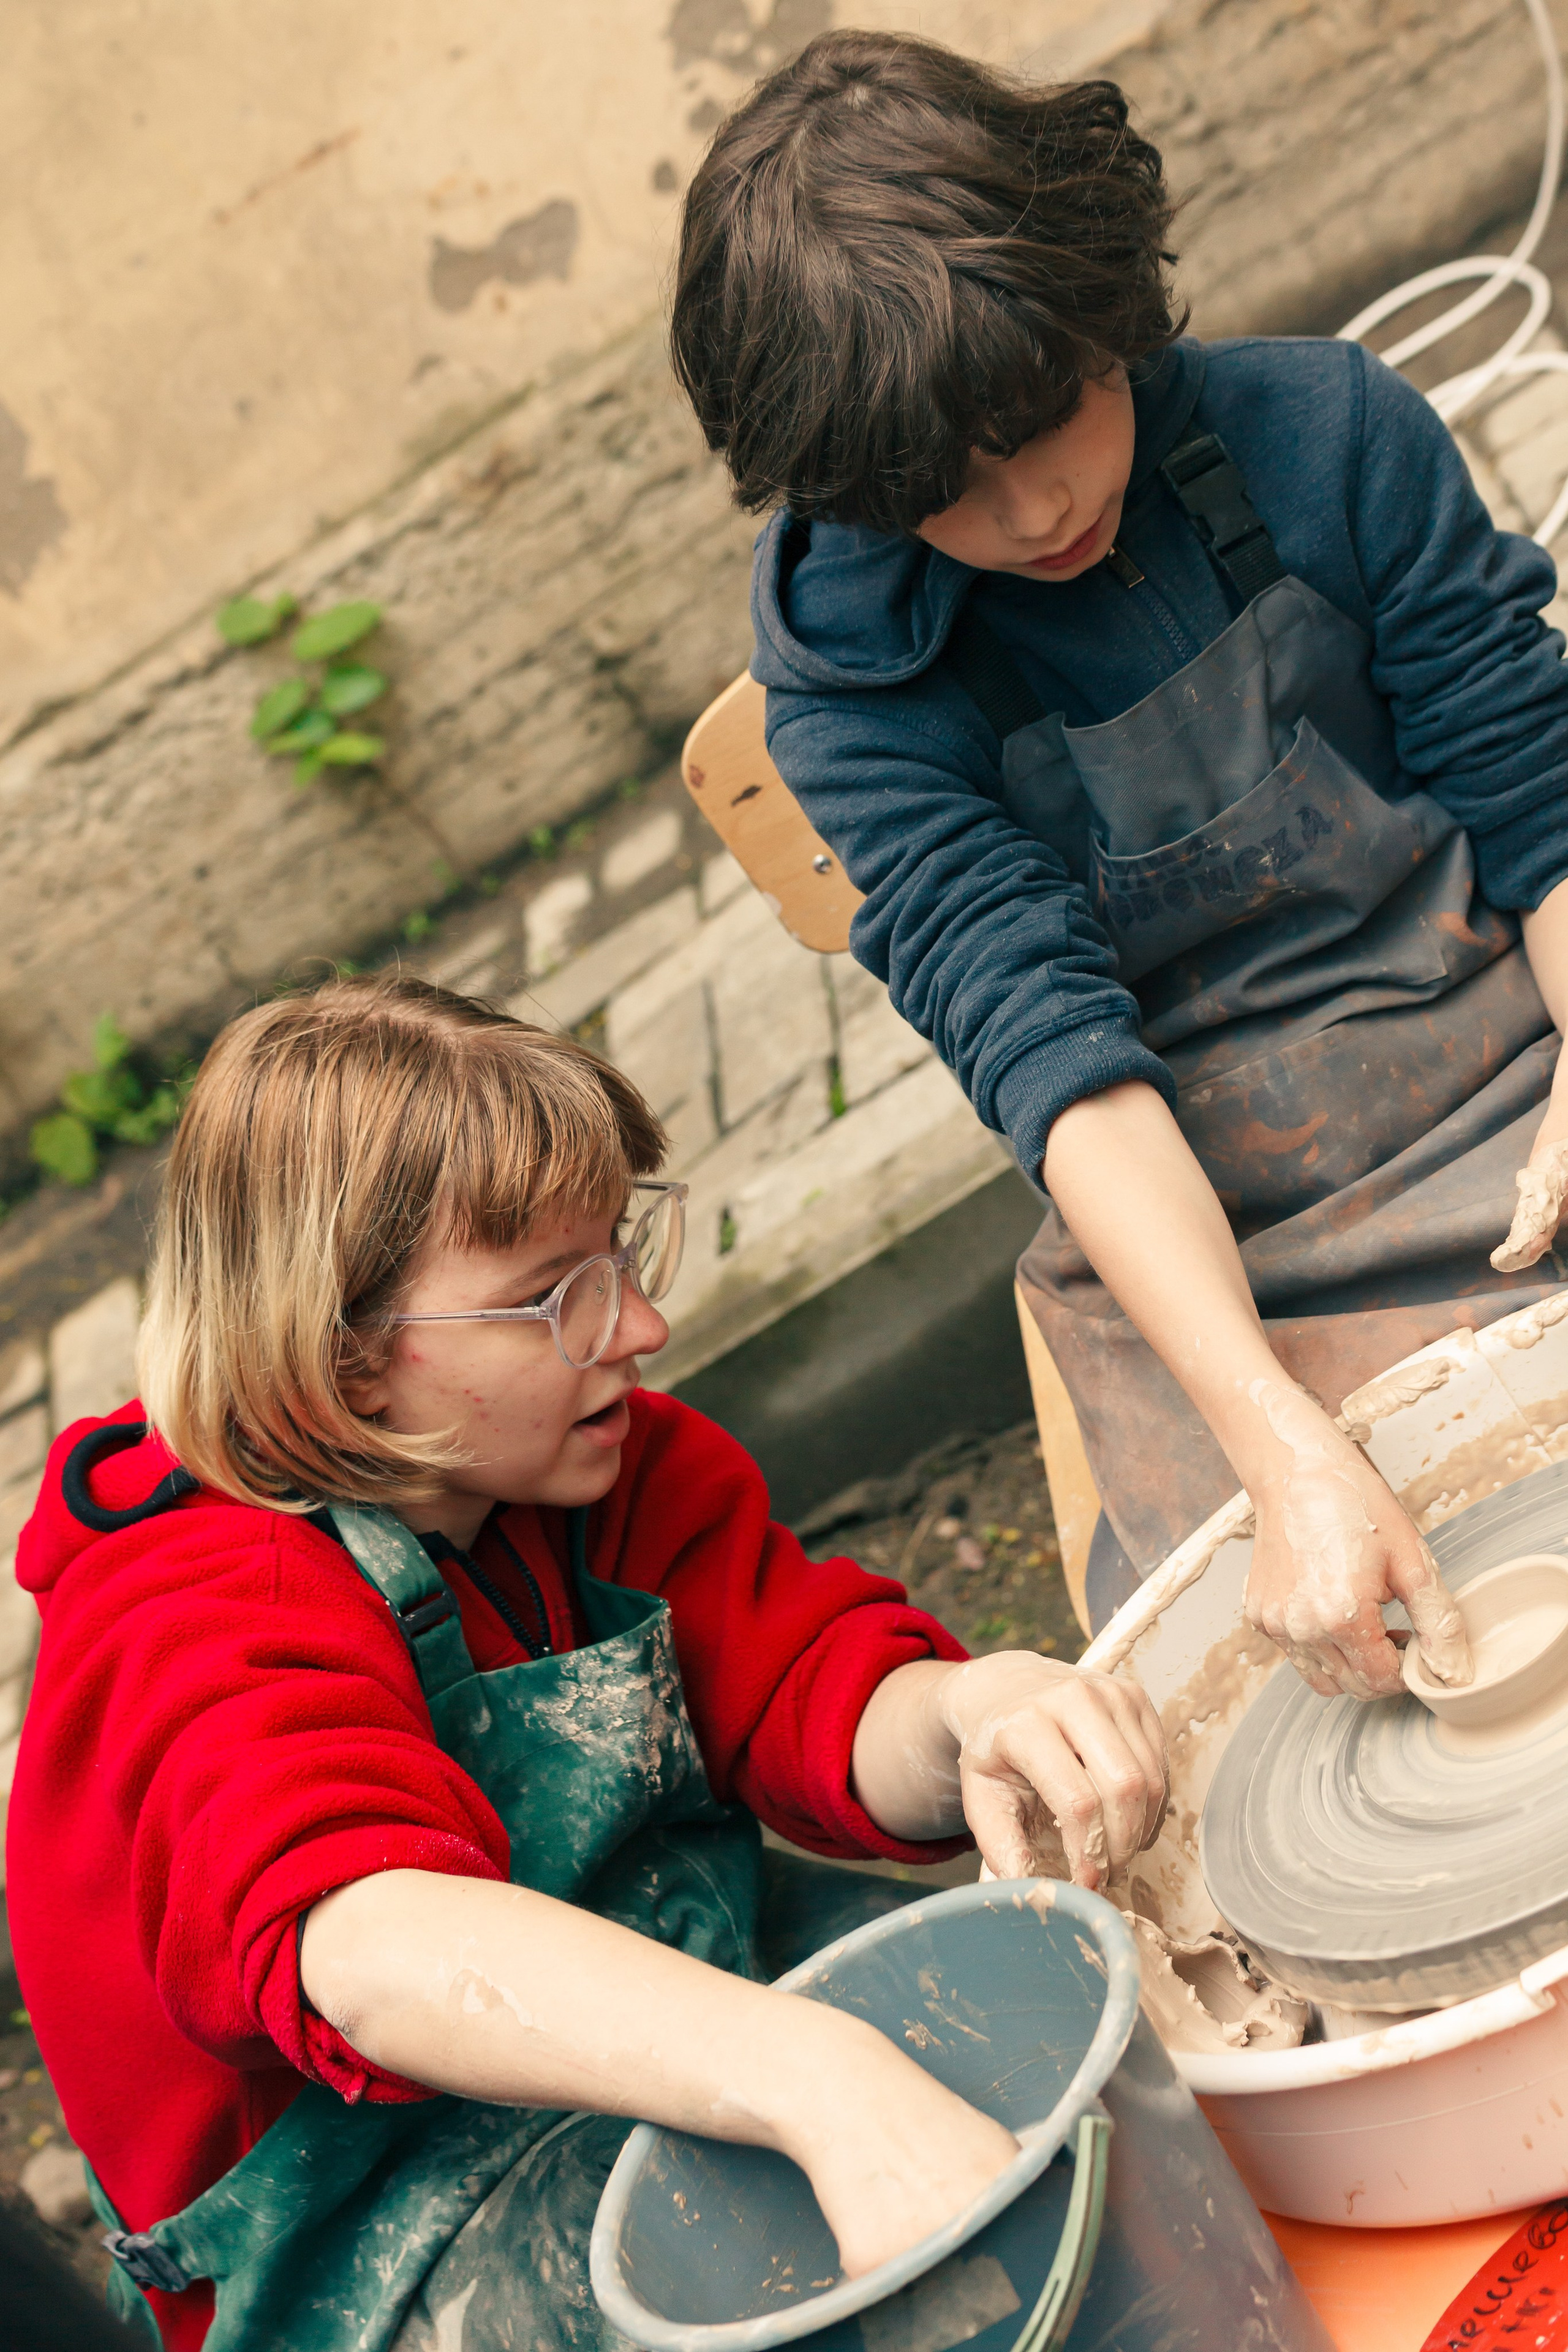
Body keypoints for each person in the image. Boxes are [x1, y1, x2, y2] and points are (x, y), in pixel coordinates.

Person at [6, 974, 1166, 2352]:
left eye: (619, 1254)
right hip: (381, 2236)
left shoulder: (595, 1465)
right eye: (555, 1298)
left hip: (695, 1992)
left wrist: (971, 1710)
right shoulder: (192, 1607)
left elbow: (802, 1684)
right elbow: (374, 1945)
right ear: (349, 1362)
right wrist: (812, 2074)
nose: (637, 1330)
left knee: (1109, 2063)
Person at [669, 26, 1568, 1693]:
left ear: (1105, 300)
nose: (1028, 511)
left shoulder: (1328, 436)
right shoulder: (856, 683)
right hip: (1192, 1207)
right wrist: (1275, 1433)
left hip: (1501, 1059)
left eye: (1046, 418)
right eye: (946, 487)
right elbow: (1055, 1058)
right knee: (1279, 1684)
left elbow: (1542, 797)